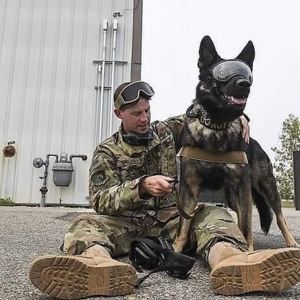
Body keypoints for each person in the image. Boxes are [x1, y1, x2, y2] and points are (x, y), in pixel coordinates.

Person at [29, 81, 300, 299]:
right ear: (118, 114)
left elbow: (205, 110)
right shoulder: (106, 152)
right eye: (136, 114)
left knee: (216, 215)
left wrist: (240, 115)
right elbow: (100, 199)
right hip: (128, 223)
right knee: (84, 223)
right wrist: (142, 187)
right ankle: (96, 266)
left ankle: (232, 261)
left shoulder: (167, 131)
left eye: (147, 111)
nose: (144, 118)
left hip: (172, 221)